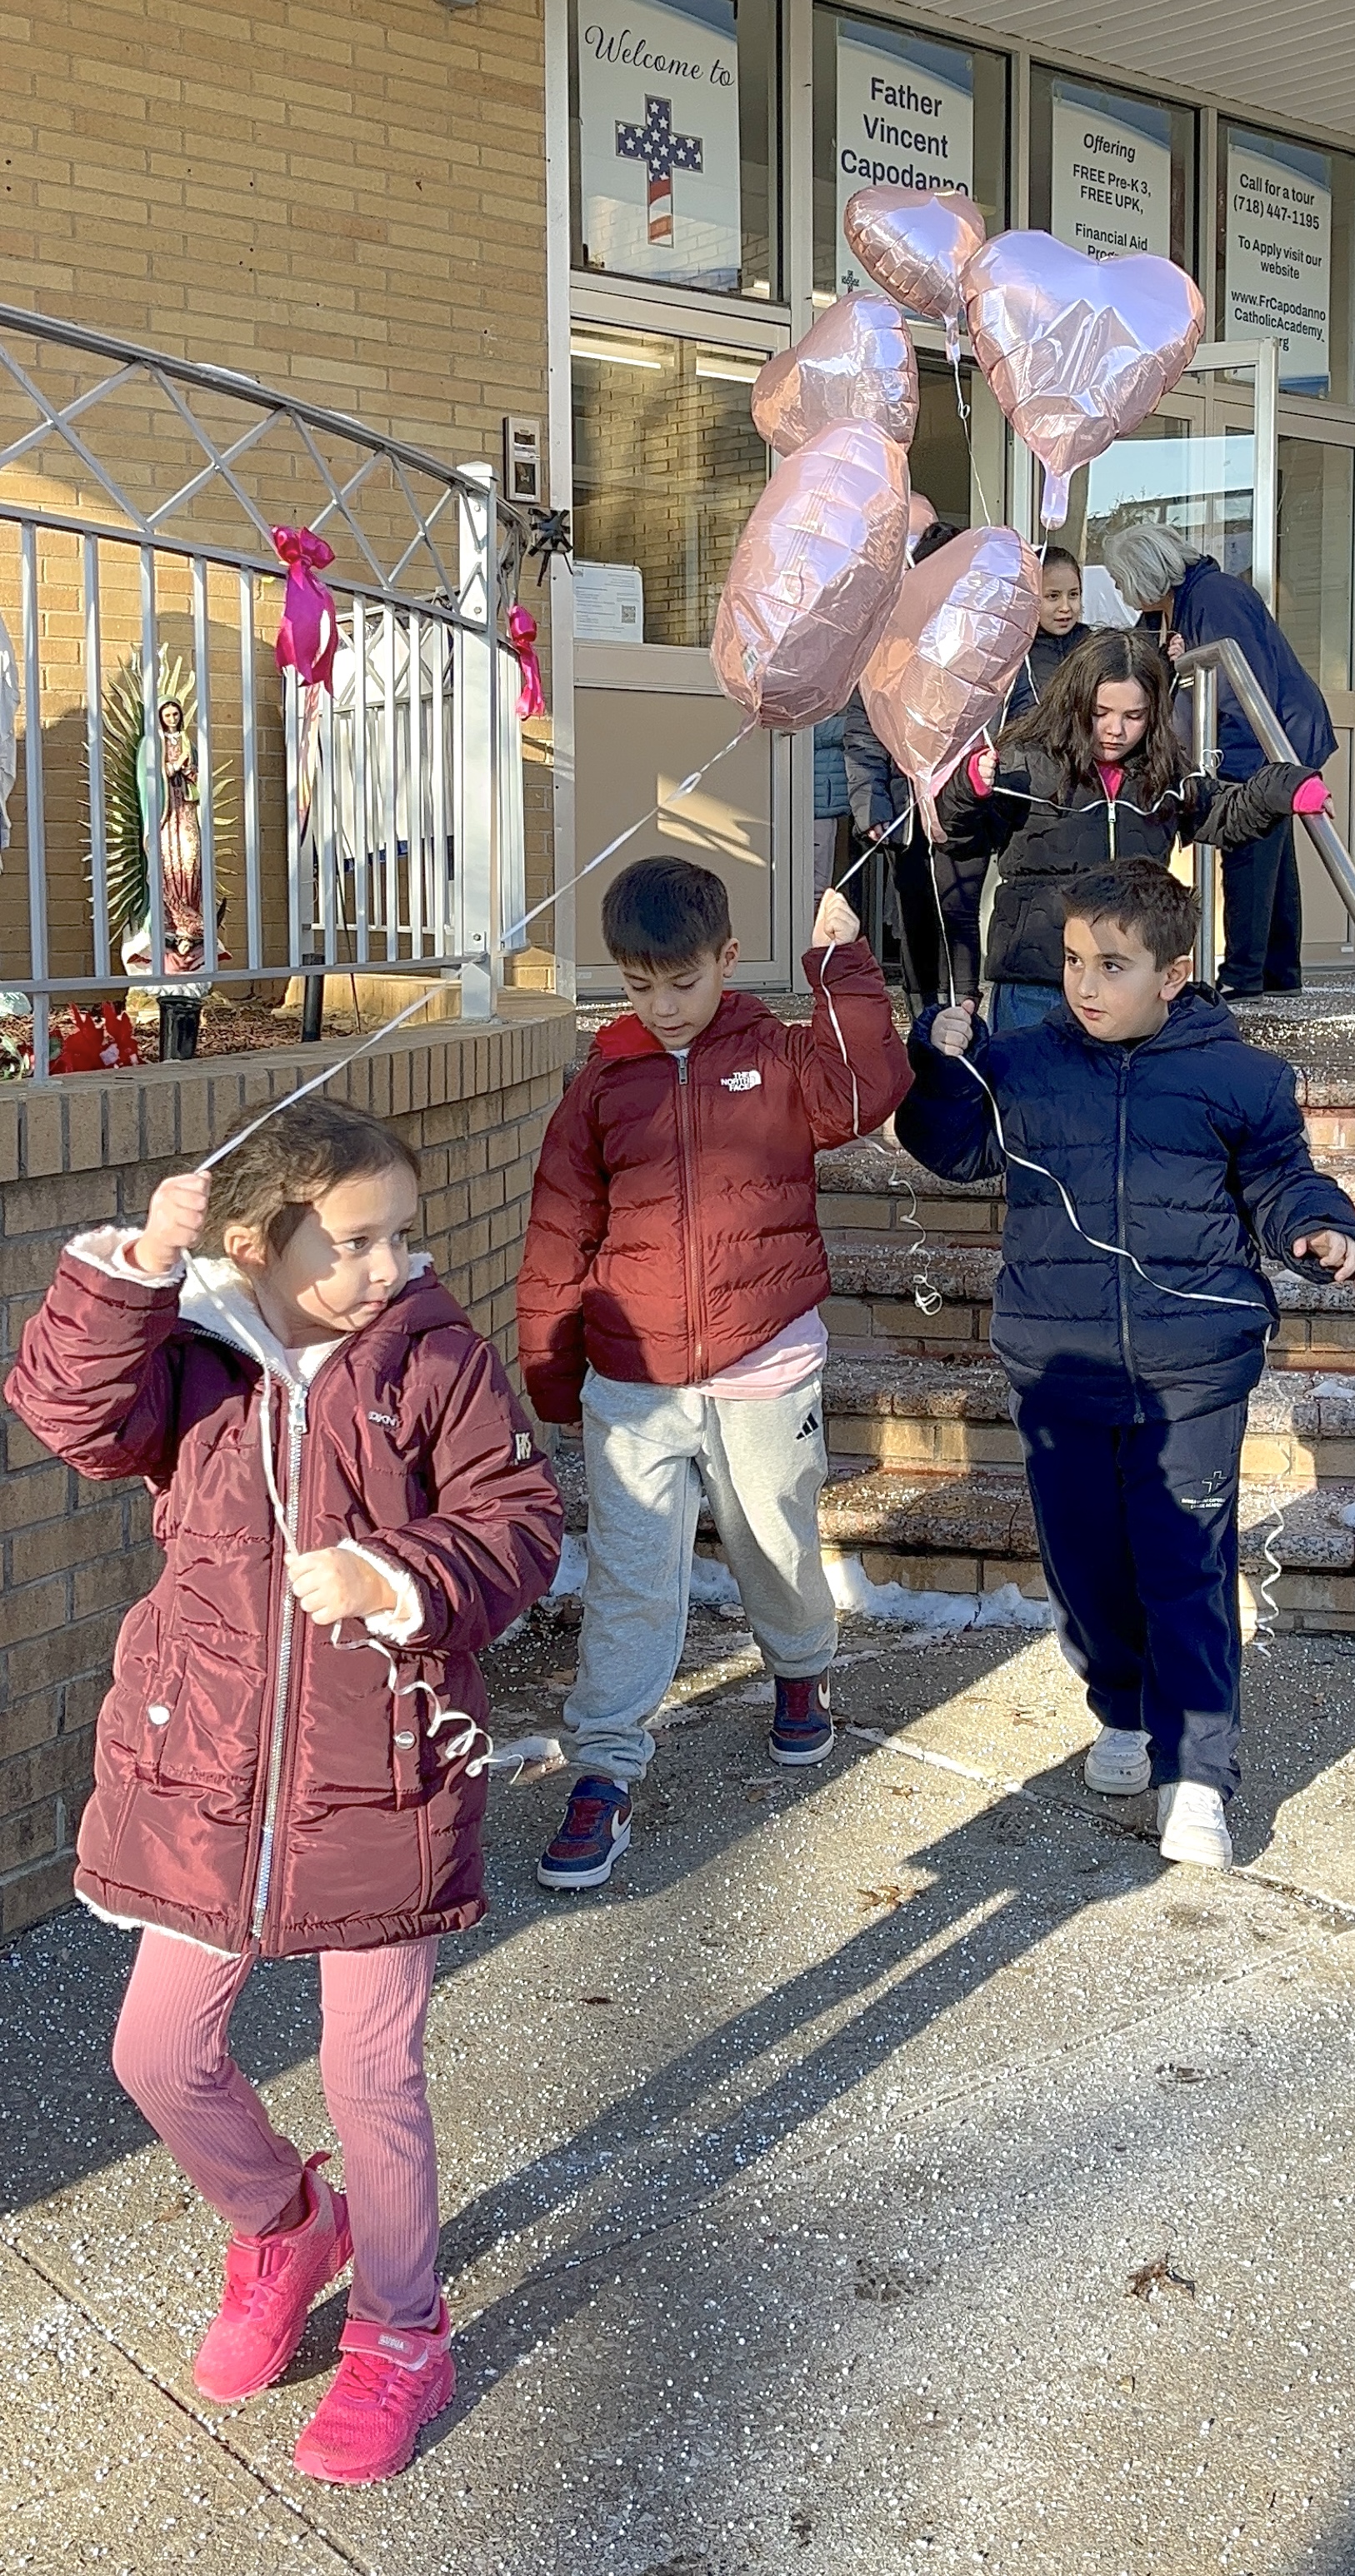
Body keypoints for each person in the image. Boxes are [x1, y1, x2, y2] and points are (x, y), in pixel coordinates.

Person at [4, 1098, 563, 2482]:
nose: (391, 1265)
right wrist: (130, 1262)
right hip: (202, 1774)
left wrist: (403, 1575)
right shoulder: (186, 1356)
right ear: (255, 1242)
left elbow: (518, 1520)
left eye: (403, 1235)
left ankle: (400, 2331)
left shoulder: (432, 1356)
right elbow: (67, 1409)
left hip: (381, 1775)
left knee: (375, 2076)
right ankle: (279, 2220)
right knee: (158, 2054)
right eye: (357, 1241)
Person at [897, 862, 1355, 1870]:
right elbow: (948, 1148)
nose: (1086, 983)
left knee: (1184, 1565)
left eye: (1113, 964)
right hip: (1060, 1362)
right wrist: (939, 1065)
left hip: (1191, 1366)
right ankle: (1120, 1707)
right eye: (1073, 960)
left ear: (1174, 971)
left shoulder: (1239, 1078)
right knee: (1086, 1564)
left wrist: (1321, 1228)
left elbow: (1282, 1179)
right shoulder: (1022, 1063)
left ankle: (1196, 1773)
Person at [517, 855, 910, 1892]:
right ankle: (603, 1769)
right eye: (639, 985)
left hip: (764, 1360)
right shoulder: (603, 1079)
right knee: (632, 1579)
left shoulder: (775, 1056)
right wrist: (554, 1367)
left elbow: (867, 1089)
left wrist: (843, 969)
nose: (662, 1005)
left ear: (727, 960)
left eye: (681, 982)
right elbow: (561, 1227)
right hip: (633, 1378)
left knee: (774, 1540)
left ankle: (799, 1671)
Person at [932, 629, 1333, 1036]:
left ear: (1152, 715)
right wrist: (969, 788)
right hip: (1038, 984)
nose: (1115, 730)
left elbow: (1225, 813)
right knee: (1029, 1097)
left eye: (1133, 716)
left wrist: (1287, 786)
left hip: (1131, 982)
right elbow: (958, 838)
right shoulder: (1023, 763)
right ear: (1074, 702)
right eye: (1100, 712)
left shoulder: (1165, 772)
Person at [1102, 522, 1339, 999]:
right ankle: (1276, 973)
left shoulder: (1213, 598)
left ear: (1146, 573)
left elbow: (1242, 687)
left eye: (1120, 578)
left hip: (1257, 743)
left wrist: (1227, 770)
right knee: (1274, 862)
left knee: (1250, 853)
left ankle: (1244, 976)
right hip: (1265, 740)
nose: (1119, 589)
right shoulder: (1183, 603)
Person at [843, 493, 962, 1010]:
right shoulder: (883, 622)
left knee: (964, 912)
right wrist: (871, 803)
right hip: (905, 800)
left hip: (971, 802)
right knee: (916, 908)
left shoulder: (975, 616)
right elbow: (864, 723)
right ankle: (923, 1014)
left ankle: (968, 1013)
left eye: (925, 537)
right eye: (908, 541)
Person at [1002, 545, 1090, 722]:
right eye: (1053, 596)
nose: (1065, 607)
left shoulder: (1092, 644)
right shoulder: (1015, 650)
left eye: (1073, 594)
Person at [812, 709, 851, 902]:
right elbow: (810, 732)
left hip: (826, 804)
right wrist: (855, 724)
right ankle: (810, 931)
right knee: (818, 887)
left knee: (822, 883)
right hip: (817, 807)